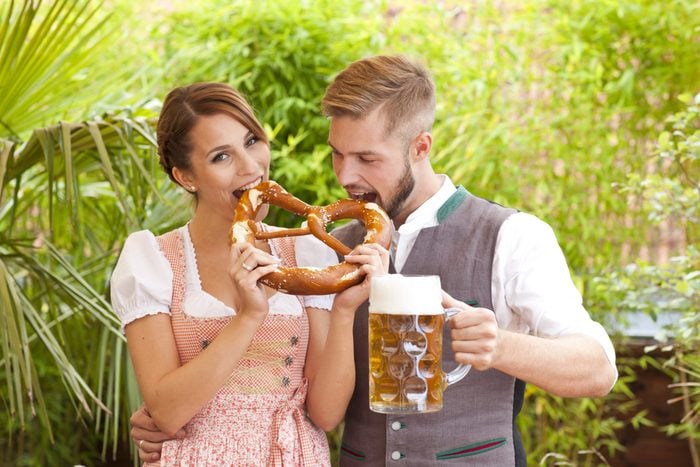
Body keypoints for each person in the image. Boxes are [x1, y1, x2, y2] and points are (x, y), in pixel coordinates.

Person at [131, 57, 618, 466]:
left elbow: (597, 370)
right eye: (337, 155)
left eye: (366, 158)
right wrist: (166, 417)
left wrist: (501, 347)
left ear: (420, 146)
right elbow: (297, 388)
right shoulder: (326, 249)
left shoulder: (511, 236)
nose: (346, 176)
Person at [110, 82, 388, 466]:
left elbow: (325, 414)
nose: (251, 167)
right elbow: (168, 414)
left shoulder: (305, 252)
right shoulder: (154, 261)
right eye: (221, 156)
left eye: (252, 141)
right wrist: (248, 316)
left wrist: (344, 310)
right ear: (185, 176)